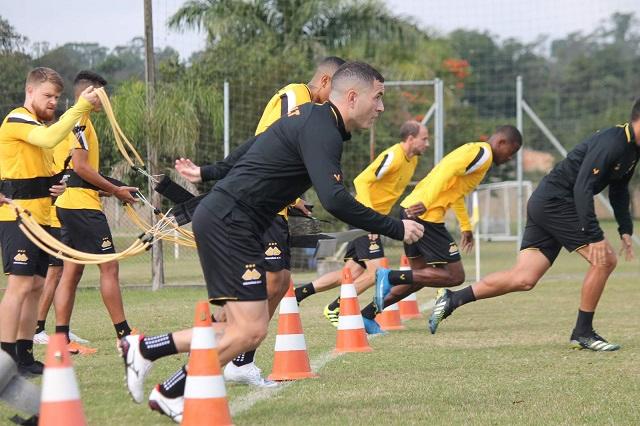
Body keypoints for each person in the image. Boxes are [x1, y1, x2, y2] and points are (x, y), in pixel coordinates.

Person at [120, 61, 425, 422]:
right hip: (229, 223)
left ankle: (151, 357)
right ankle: (162, 378)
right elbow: (334, 198)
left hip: (238, 224)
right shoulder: (320, 125)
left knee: (241, 328)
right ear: (354, 96)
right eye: (378, 98)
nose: (381, 108)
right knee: (250, 329)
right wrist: (395, 228)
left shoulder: (310, 117)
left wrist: (208, 171)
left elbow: (253, 147)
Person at [175, 56, 345, 387]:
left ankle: (235, 354)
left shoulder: (310, 107)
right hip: (257, 206)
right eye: (337, 90)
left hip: (271, 205)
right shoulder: (298, 96)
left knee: (278, 283)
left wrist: (293, 199)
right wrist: (213, 171)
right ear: (325, 82)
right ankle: (219, 351)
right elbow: (267, 144)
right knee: (268, 286)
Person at [429, 99, 640, 352]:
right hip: (556, 202)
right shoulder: (612, 141)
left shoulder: (633, 149)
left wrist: (625, 229)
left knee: (524, 278)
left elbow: (618, 189)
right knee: (604, 259)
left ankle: (451, 299)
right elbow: (583, 187)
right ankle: (583, 332)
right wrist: (594, 235)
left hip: (548, 202)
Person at [370, 125, 523, 333]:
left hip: (411, 210)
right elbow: (446, 171)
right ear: (500, 143)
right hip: (425, 215)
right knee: (454, 276)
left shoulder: (477, 153)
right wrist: (426, 201)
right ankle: (389, 277)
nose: (510, 158)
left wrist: (465, 226)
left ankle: (366, 315)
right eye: (511, 152)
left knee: (419, 277)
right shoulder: (483, 154)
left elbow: (455, 191)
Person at [0, 67, 101, 378]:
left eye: (56, 97)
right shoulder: (18, 119)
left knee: (38, 285)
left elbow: (41, 169)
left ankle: (25, 356)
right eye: (47, 96)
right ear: (30, 92)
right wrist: (81, 106)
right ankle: (5, 362)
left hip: (45, 215)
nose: (52, 102)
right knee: (19, 286)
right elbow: (48, 138)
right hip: (18, 217)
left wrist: (54, 185)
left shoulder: (37, 124)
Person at [294, 120, 430, 332]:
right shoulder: (393, 156)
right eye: (424, 139)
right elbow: (361, 181)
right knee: (378, 272)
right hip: (367, 219)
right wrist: (371, 219)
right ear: (411, 139)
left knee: (351, 273)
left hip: (373, 220)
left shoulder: (411, 161)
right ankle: (336, 307)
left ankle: (299, 294)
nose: (427, 144)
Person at [52, 71, 139, 354]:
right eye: (102, 93)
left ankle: (62, 340)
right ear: (88, 93)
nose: (106, 99)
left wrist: (116, 187)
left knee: (72, 272)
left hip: (67, 204)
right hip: (81, 207)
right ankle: (124, 336)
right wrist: (114, 190)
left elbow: (75, 172)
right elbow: (80, 168)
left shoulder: (73, 120)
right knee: (109, 267)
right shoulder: (80, 122)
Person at [33, 111, 89, 347]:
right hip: (53, 215)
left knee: (65, 274)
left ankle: (60, 330)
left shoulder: (69, 135)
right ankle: (37, 328)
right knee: (54, 273)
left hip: (62, 213)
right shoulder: (50, 139)